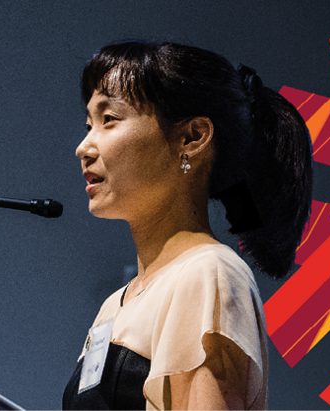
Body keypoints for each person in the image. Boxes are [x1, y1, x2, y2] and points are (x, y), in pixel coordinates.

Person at [63, 40, 312, 411]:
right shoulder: (113, 306)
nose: (84, 146)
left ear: (192, 137)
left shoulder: (208, 275)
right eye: (88, 124)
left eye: (109, 119)